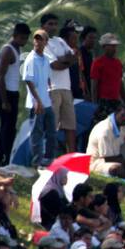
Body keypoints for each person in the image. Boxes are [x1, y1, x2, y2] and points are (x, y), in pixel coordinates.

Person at [40, 14, 77, 157]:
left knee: (70, 126)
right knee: (51, 126)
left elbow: (74, 56)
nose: (53, 27)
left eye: (55, 24)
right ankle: (49, 156)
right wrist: (66, 60)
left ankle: (71, 157)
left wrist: (64, 60)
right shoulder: (42, 43)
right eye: (50, 24)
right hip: (52, 89)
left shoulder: (60, 41)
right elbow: (55, 66)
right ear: (43, 26)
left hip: (66, 88)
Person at [0, 22, 29, 165]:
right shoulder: (8, 50)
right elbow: (0, 76)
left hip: (13, 92)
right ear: (14, 36)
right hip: (5, 92)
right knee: (7, 128)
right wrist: (4, 100)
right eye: (22, 38)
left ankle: (2, 157)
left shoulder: (17, 49)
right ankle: (3, 158)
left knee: (9, 127)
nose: (24, 41)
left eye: (26, 38)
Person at [85, 103, 125, 178]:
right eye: (123, 115)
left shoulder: (123, 125)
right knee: (116, 168)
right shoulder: (105, 131)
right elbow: (107, 158)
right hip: (99, 161)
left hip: (117, 155)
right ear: (116, 113)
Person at [21, 29, 56, 166]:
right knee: (37, 133)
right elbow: (28, 81)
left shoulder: (46, 58)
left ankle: (49, 159)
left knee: (51, 132)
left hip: (46, 102)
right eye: (36, 38)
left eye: (41, 39)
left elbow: (47, 79)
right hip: (36, 103)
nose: (37, 41)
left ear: (46, 42)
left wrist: (49, 93)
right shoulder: (31, 58)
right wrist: (37, 101)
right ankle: (37, 162)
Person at [89, 33, 125, 118]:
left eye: (115, 46)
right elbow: (94, 85)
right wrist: (94, 105)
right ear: (104, 46)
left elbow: (120, 83)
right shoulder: (98, 62)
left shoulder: (118, 63)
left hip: (116, 101)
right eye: (111, 46)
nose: (114, 48)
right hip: (103, 101)